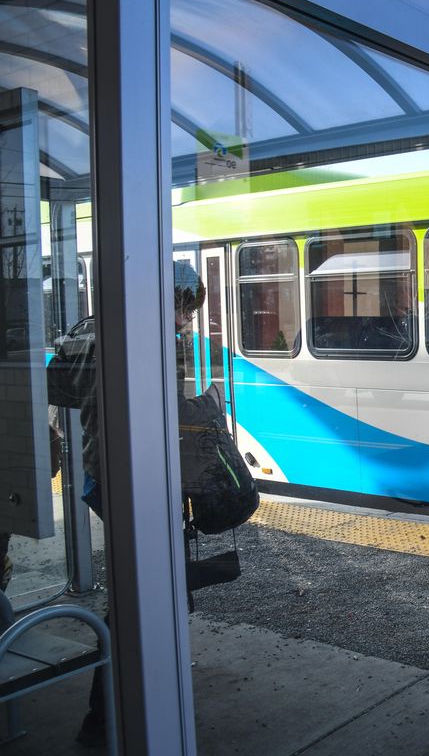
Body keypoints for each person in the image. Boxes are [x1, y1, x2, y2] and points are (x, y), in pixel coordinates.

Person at [70, 260, 207, 747]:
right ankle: (107, 709)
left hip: (97, 474)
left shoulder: (94, 332)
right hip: (139, 482)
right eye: (184, 306)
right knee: (139, 593)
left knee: (144, 583)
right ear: (165, 300)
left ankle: (133, 689)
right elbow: (174, 417)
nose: (188, 318)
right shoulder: (160, 343)